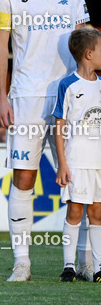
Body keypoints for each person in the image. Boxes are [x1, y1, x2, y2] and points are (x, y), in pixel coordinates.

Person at [0, 0, 90, 282]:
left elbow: (84, 38)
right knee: (23, 178)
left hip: (70, 95)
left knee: (80, 177)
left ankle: (85, 261)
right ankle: (22, 262)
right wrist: (2, 96)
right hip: (27, 96)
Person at [53, 28, 101, 282]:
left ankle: (99, 267)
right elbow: (59, 125)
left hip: (98, 162)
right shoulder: (68, 85)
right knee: (74, 212)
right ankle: (69, 266)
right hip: (77, 160)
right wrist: (62, 163)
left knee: (97, 214)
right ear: (89, 54)